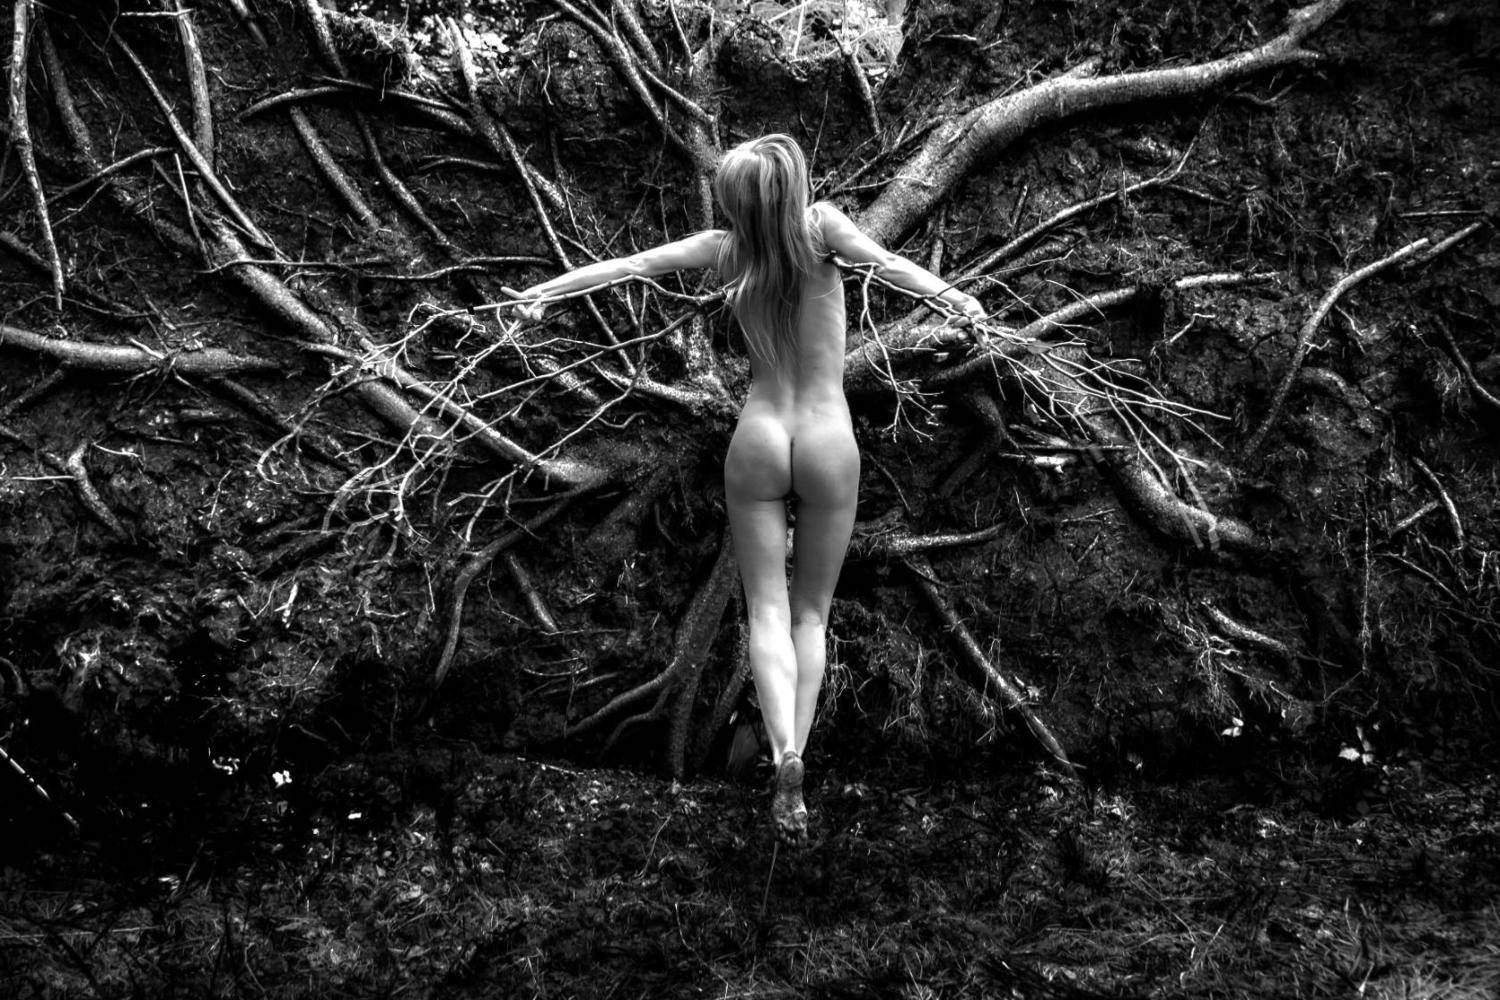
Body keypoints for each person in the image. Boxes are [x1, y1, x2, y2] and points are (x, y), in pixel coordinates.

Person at [511, 134, 986, 844]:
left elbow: (633, 265)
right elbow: (889, 265)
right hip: (826, 438)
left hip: (759, 438)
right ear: (793, 186)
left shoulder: (727, 250)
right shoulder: (823, 229)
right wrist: (960, 301)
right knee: (810, 616)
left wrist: (543, 293)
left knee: (766, 609)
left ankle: (783, 747)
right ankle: (798, 754)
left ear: (736, 202)